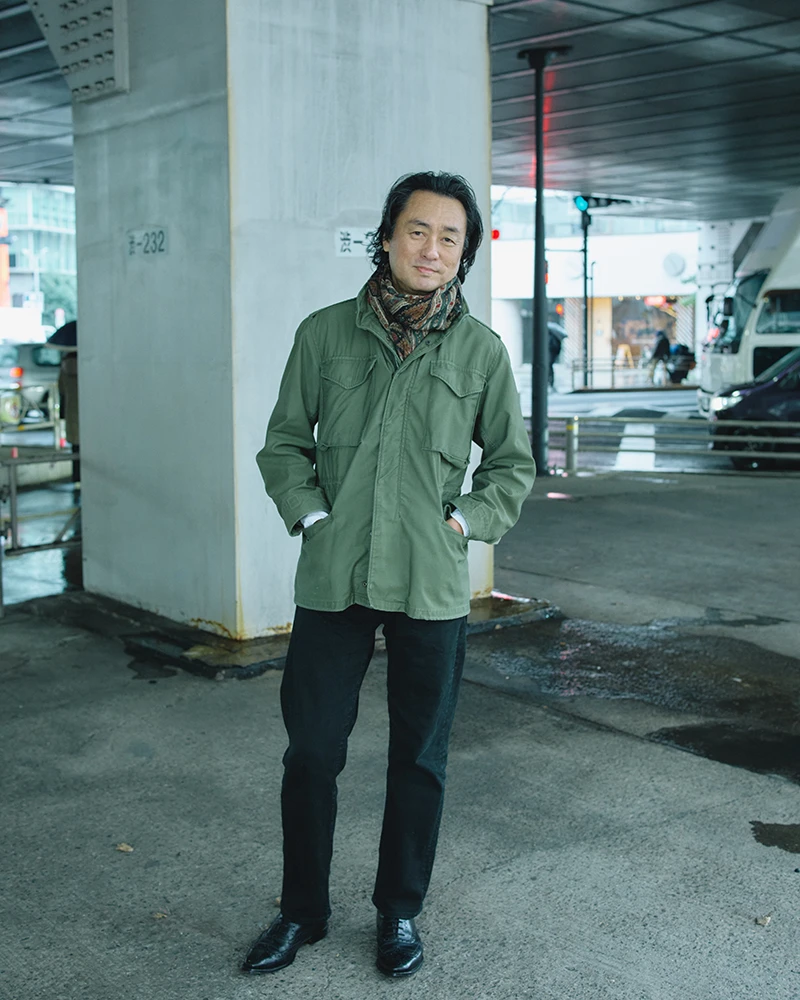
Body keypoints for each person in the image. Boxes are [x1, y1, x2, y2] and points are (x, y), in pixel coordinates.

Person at [247, 171, 536, 978]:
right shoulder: (324, 334)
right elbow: (284, 445)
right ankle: (301, 911)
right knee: (311, 752)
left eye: (450, 237)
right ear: (386, 238)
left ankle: (398, 911)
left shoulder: (480, 352)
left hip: (429, 584)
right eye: (417, 230)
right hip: (334, 577)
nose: (431, 248)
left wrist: (462, 524)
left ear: (464, 254)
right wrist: (312, 518)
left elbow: (511, 465)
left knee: (419, 758)